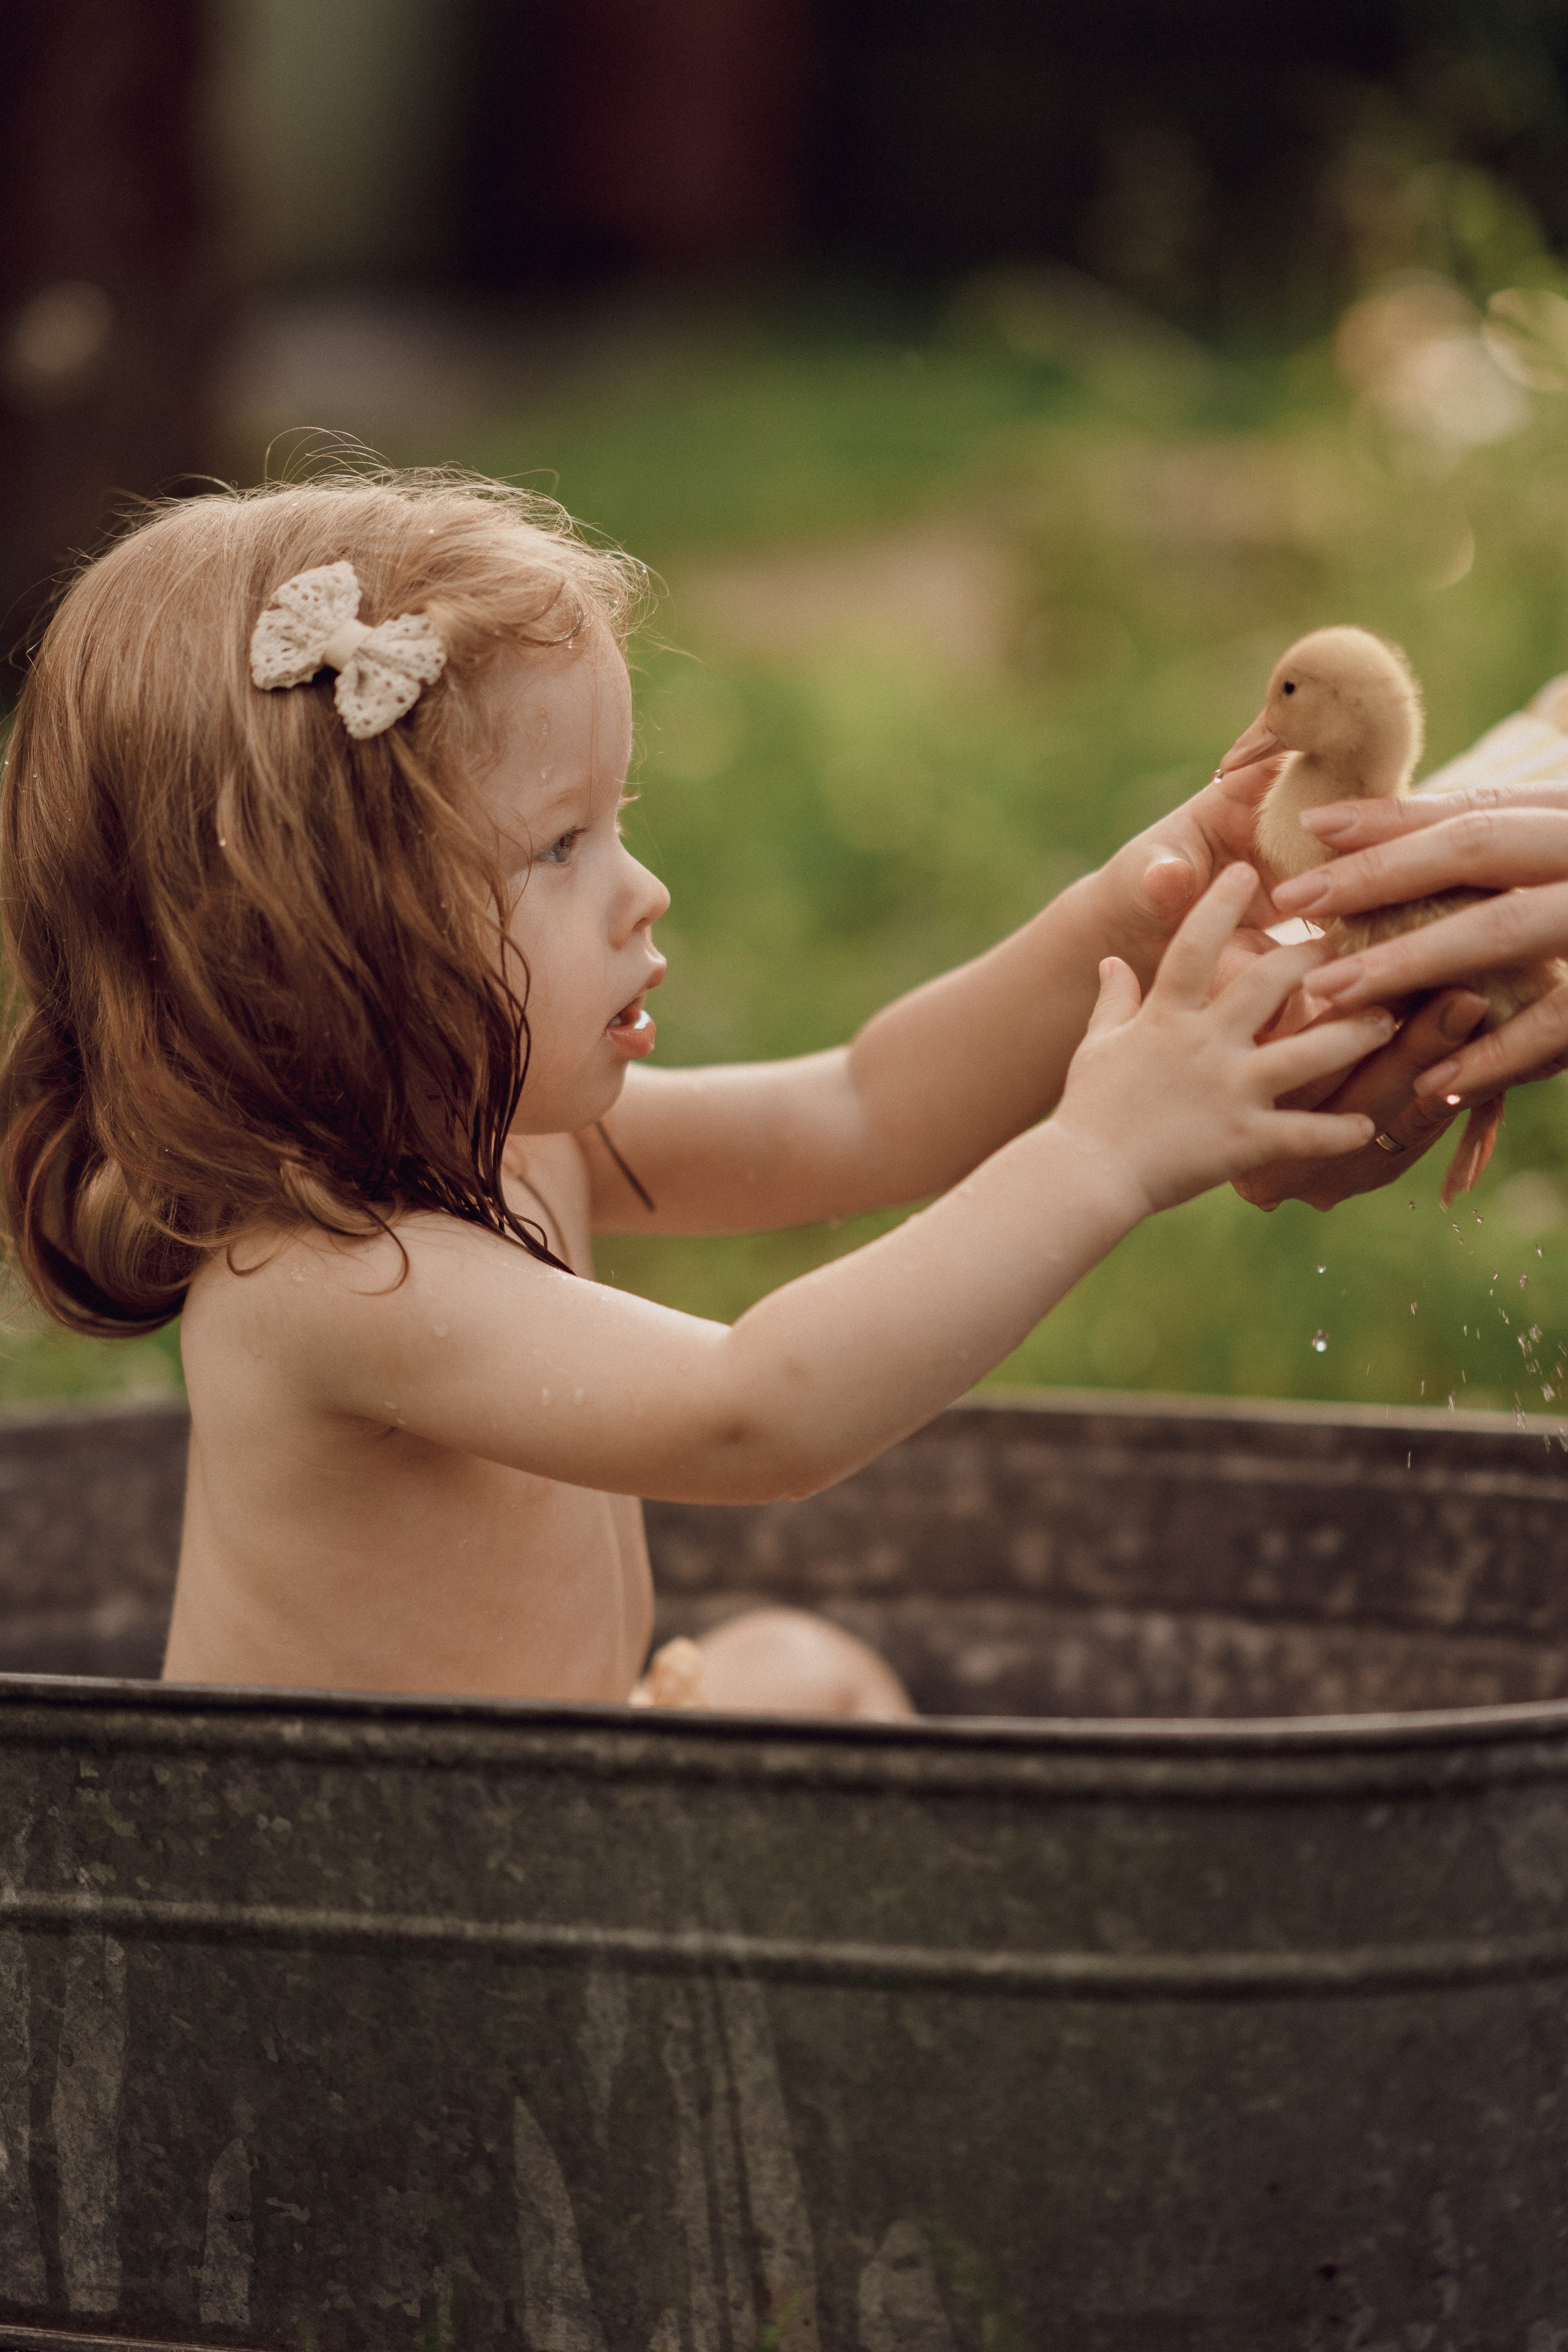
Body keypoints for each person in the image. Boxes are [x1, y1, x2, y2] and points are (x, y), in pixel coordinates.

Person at [0, 472, 1389, 1719]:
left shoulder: (517, 1141)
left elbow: (859, 1110)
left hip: (550, 1824)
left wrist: (1118, 917)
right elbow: (753, 1413)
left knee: (805, 1672)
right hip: (380, 1940)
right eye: (559, 845)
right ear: (310, 931)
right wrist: (1102, 1156)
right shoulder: (328, 1281)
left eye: (618, 820)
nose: (641, 888)